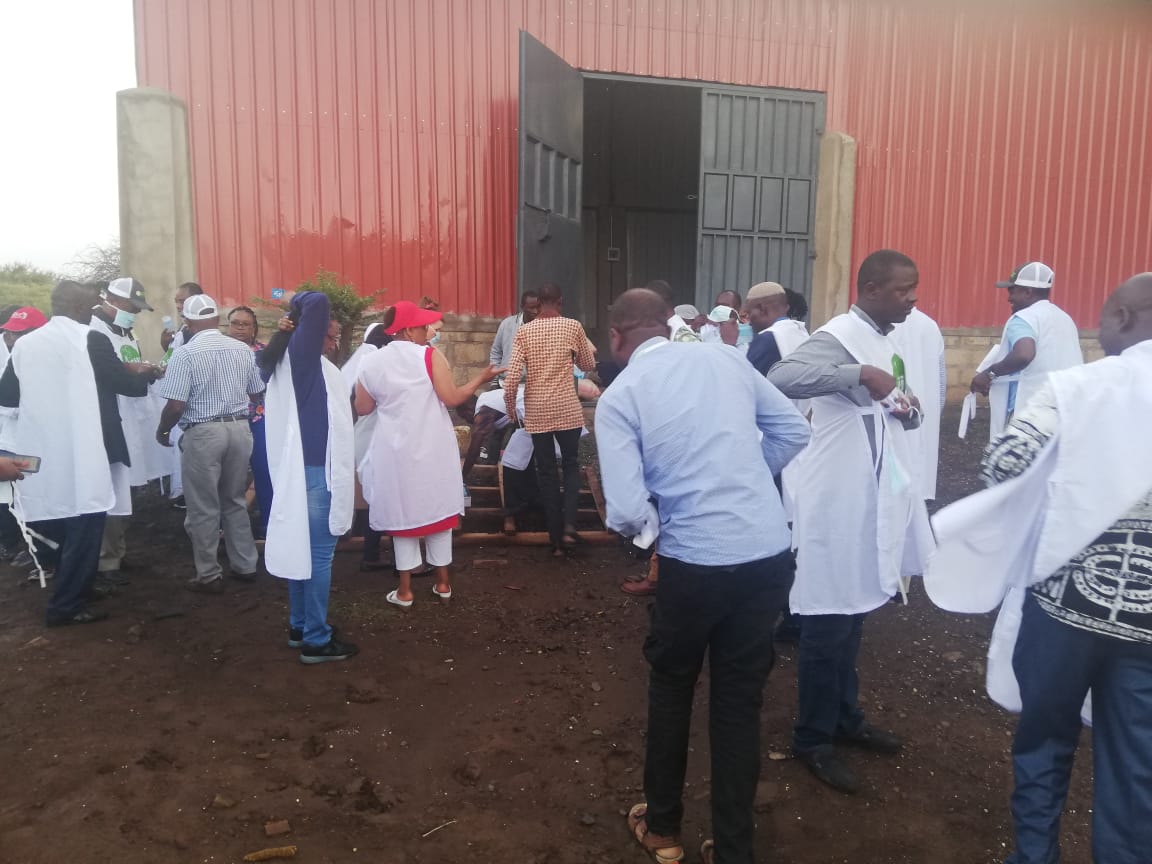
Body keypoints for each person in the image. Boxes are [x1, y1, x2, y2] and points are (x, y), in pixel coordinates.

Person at [925, 273, 1152, 863]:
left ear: (1125, 318)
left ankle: (1034, 855)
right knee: (1137, 763)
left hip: (1066, 605)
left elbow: (1005, 464)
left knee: (1045, 740)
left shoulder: (1079, 387)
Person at [596, 288, 809, 864]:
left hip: (695, 562)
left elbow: (625, 509)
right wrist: (745, 479)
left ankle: (664, 830)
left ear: (616, 337)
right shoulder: (726, 359)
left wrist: (657, 525)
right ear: (668, 323)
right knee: (738, 703)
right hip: (766, 554)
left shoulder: (621, 396)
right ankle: (734, 850)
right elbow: (793, 432)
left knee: (672, 688)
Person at [767, 249, 933, 794]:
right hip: (835, 495)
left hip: (868, 492)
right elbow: (781, 375)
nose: (912, 299)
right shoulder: (841, 336)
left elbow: (893, 399)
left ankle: (845, 716)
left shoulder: (885, 338)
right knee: (828, 614)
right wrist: (858, 373)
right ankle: (812, 737)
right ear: (870, 288)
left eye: (913, 288)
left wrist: (907, 407)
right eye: (902, 290)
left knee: (856, 606)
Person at [355, 301, 500, 607]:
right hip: (433, 446)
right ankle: (443, 584)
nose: (428, 331)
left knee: (403, 512)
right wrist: (480, 378)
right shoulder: (429, 356)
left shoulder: (371, 362)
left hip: (394, 449)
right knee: (438, 509)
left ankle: (405, 591)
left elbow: (363, 407)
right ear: (409, 330)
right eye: (424, 326)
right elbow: (452, 398)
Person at [0, 281, 116, 626]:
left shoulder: (25, 345)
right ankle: (66, 605)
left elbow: (7, 396)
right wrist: (142, 374)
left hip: (42, 452)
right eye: (91, 307)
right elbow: (125, 386)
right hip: (83, 452)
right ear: (79, 308)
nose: (93, 313)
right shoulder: (91, 339)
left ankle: (77, 586)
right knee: (87, 521)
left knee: (58, 520)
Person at [259, 291, 359, 664]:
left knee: (302, 548)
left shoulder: (302, 365)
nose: (334, 342)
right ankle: (316, 639)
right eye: (331, 335)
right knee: (318, 556)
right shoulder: (302, 361)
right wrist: (292, 303)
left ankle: (300, 626)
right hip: (315, 475)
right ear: (311, 333)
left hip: (305, 472)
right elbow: (316, 301)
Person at [155, 294, 265, 593]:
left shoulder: (185, 353)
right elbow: (256, 391)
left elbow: (176, 405)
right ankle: (245, 564)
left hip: (204, 432)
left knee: (203, 506)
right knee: (234, 500)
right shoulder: (242, 350)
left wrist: (163, 430)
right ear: (217, 319)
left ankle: (209, 573)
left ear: (188, 322)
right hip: (239, 428)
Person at [502, 283, 596, 556]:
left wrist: (510, 408)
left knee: (546, 472)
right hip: (567, 408)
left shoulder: (524, 331)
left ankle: (555, 541)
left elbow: (511, 378)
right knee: (570, 465)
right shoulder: (573, 326)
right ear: (560, 301)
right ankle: (569, 526)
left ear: (539, 303)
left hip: (537, 410)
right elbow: (588, 365)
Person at [88, 279, 165, 590]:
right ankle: (106, 560)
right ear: (114, 301)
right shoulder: (95, 332)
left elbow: (130, 369)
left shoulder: (124, 331)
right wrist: (138, 373)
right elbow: (114, 377)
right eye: (132, 308)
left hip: (132, 420)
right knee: (112, 491)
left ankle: (117, 552)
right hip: (111, 422)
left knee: (127, 490)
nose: (135, 314)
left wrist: (143, 371)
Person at [969, 262, 1083, 439]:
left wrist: (989, 374)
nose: (1009, 298)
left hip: (1029, 416)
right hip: (1064, 411)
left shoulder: (1023, 318)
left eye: (1012, 291)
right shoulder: (1065, 318)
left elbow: (1024, 354)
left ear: (1028, 292)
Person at [0, 307, 47, 564]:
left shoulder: (44, 359)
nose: (11, 338)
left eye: (18, 333)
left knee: (31, 492)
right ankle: (9, 542)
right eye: (9, 332)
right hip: (7, 439)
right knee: (5, 495)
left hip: (32, 440)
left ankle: (35, 547)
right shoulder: (8, 356)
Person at [891, 305, 946, 501]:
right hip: (923, 411)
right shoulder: (930, 325)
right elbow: (941, 379)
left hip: (894, 410)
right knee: (919, 475)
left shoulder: (882, 324)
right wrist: (936, 410)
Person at [160, 281, 204, 508]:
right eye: (176, 301)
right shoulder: (182, 329)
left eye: (182, 301)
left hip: (189, 405)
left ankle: (191, 497)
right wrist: (165, 346)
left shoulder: (194, 333)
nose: (178, 306)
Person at [228, 305, 272, 535]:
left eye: (246, 324)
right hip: (228, 421)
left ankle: (268, 524)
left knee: (264, 471)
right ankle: (228, 526)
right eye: (235, 323)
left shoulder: (264, 352)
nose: (240, 328)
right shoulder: (219, 351)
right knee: (228, 476)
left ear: (254, 328)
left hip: (258, 420)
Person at [490, 290, 540, 383]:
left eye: (538, 307)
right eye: (531, 308)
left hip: (533, 386)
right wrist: (494, 381)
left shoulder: (544, 328)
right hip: (506, 383)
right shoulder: (507, 324)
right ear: (522, 307)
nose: (535, 311)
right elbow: (496, 353)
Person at [744, 282, 794, 374]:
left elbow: (745, 378)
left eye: (749, 313)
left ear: (762, 309)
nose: (749, 322)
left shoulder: (766, 339)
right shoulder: (802, 332)